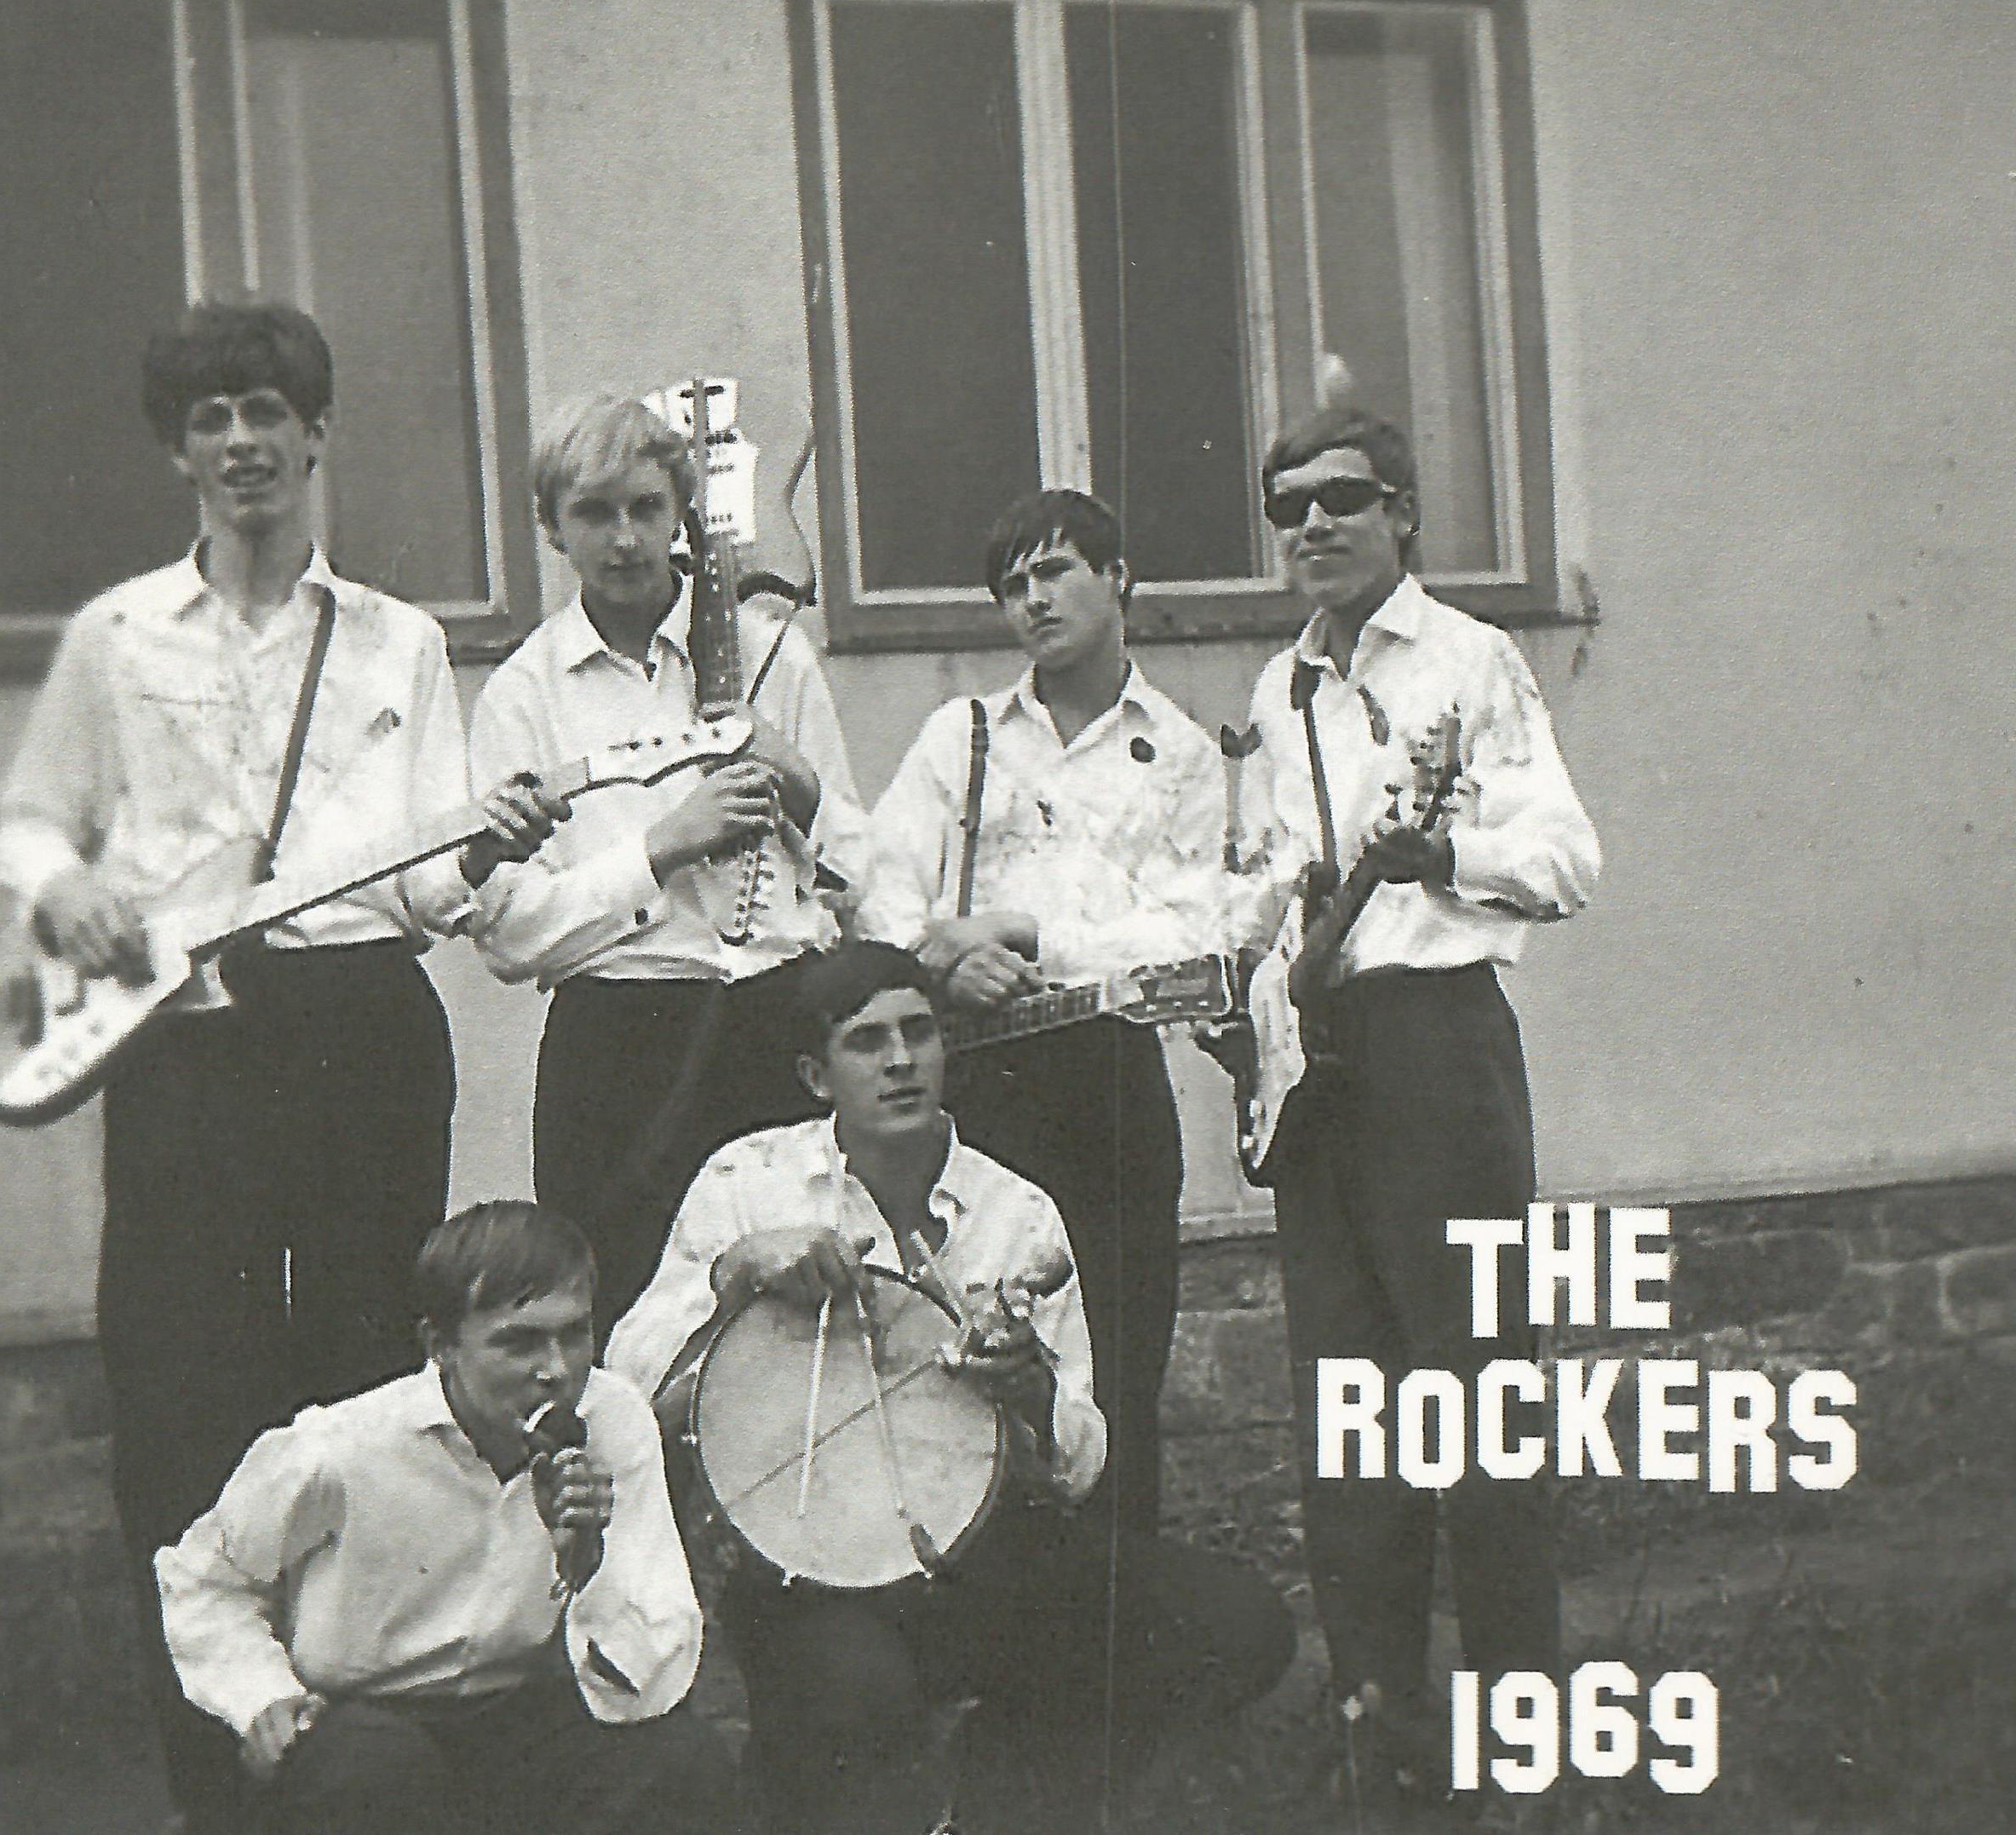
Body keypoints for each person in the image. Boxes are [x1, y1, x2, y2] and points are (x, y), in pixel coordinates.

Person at [0, 300, 559, 1833]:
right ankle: (220, 1776)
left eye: (268, 413)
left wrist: (489, 847)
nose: (243, 442)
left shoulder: (399, 640)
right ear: (178, 450)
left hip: (363, 1029)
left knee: (372, 1387)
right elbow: (32, 820)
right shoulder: (118, 638)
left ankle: (369, 1770)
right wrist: (66, 887)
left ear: (316, 435)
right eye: (212, 417)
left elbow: (430, 886)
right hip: (188, 1047)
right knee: (186, 1392)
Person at [607, 941, 1293, 1835]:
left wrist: (1032, 1389)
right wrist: (734, 1273)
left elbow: (1081, 1462)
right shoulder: (747, 1180)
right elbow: (632, 1380)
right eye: (867, 1041)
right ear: (816, 1075)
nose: (900, 1060)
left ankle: (1003, 1782)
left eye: (919, 1032)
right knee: (859, 1704)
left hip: (983, 1549)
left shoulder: (1017, 1208)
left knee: (1243, 1626)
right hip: (807, 1563)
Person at [1235, 405, 1601, 1815]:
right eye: (1289, 508)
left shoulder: (1472, 660)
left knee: (1480, 1410)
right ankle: (1380, 1740)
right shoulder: (1281, 690)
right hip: (1320, 1071)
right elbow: (1271, 886)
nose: (1315, 525)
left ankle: (1524, 1752)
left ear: (1403, 512)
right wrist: (1246, 1005)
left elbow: (1564, 857)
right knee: (1352, 1429)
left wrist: (1441, 851)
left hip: (1439, 1058)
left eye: (1343, 498)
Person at [858, 489, 1228, 1537]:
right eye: (1013, 584)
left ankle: (1117, 1616)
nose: (1034, 599)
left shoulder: (1181, 753)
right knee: (967, 1360)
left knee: (1115, 1363)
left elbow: (1189, 933)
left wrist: (1021, 932)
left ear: (1119, 579)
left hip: (1108, 1084)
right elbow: (882, 887)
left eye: (1056, 570)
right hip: (980, 1084)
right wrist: (942, 962)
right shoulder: (963, 735)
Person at [468, 392, 865, 1339]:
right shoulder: (524, 693)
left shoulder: (770, 656)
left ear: (683, 511)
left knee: (799, 1324)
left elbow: (863, 870)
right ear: (552, 528)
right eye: (594, 513)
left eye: (647, 507)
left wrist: (798, 784)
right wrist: (659, 849)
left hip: (778, 1025)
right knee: (627, 1323)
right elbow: (507, 932)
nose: (625, 538)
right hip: (621, 1044)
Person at [155, 1199, 732, 1835]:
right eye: (518, 1342)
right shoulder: (343, 1447)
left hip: (522, 1712)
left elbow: (650, 1675)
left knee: (681, 1762)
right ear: (442, 1346)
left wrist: (587, 1565)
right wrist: (264, 1697)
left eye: (574, 1334)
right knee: (375, 1772)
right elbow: (204, 1580)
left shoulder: (612, 1419)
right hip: (369, 1717)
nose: (557, 1370)